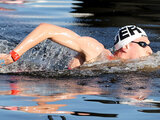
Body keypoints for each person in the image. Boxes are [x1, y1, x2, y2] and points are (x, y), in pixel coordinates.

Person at [0, 23, 153, 69]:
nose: (150, 50)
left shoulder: (125, 67)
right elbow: (47, 29)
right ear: (125, 46)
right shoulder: (97, 51)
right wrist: (12, 56)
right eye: (143, 44)